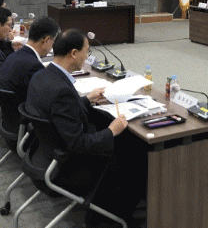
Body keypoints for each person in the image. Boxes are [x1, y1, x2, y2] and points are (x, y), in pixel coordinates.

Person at [25, 29, 146, 227]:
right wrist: (111, 130)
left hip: (43, 154)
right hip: (70, 168)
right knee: (136, 155)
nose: (87, 56)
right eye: (87, 51)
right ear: (74, 53)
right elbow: (79, 144)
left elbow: (59, 113)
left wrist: (86, 100)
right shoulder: (62, 91)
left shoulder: (42, 75)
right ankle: (110, 218)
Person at [0, 16, 60, 102]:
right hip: (22, 108)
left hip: (6, 107)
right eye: (54, 42)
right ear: (46, 40)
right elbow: (47, 98)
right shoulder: (34, 66)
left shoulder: (13, 56)